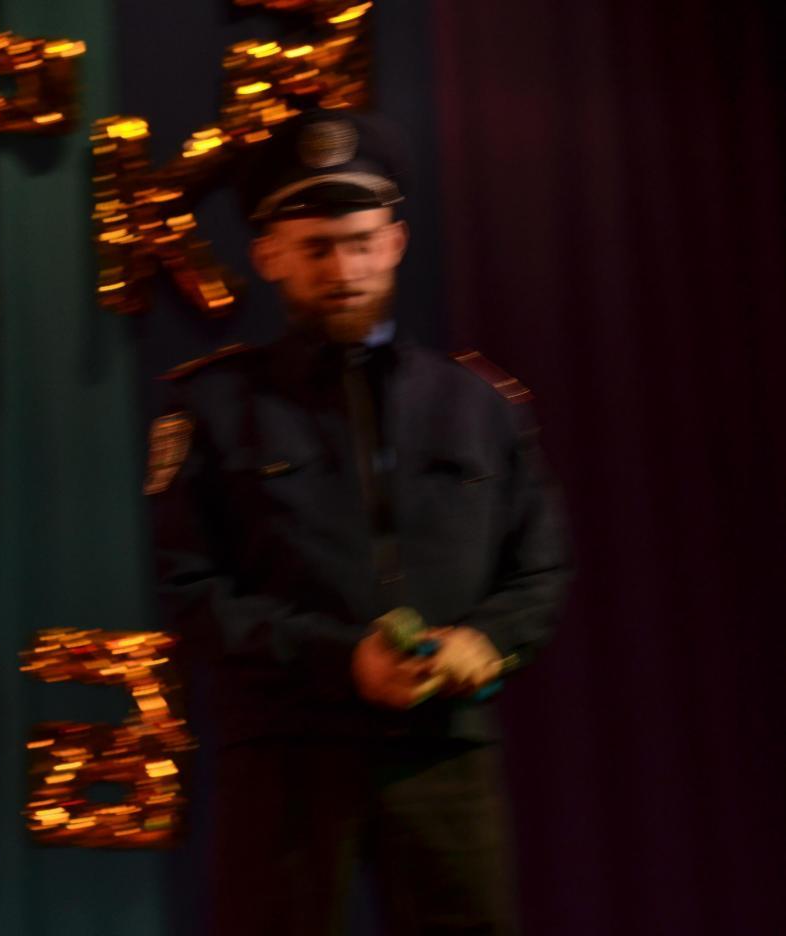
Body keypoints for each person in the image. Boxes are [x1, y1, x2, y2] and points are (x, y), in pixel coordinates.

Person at [147, 110, 571, 935]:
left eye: (362, 242)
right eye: (317, 248)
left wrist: (490, 639)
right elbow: (190, 591)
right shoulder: (212, 408)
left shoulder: (477, 403)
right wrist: (344, 660)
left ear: (397, 242)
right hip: (286, 749)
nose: (344, 269)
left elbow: (542, 565)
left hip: (443, 748)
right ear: (268, 255)